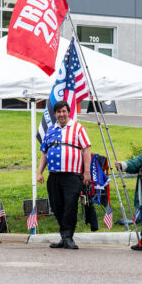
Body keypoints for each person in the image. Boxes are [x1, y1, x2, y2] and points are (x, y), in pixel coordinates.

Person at [37, 101, 92, 250]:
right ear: (55, 114)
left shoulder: (77, 128)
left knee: (70, 205)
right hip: (54, 176)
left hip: (72, 176)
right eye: (59, 112)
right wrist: (39, 172)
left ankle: (68, 236)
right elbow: (44, 153)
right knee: (57, 206)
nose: (62, 114)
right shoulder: (50, 130)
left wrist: (86, 172)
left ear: (68, 112)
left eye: (64, 111)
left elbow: (86, 150)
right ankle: (63, 236)